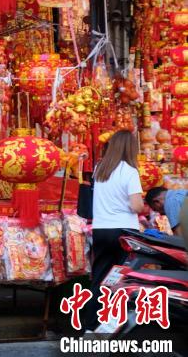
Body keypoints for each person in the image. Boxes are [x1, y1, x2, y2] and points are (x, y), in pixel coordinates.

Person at [83, 130, 144, 331]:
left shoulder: (100, 169)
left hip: (101, 229)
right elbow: (136, 205)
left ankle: (91, 326)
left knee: (100, 278)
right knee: (122, 277)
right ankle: (114, 324)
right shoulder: (130, 171)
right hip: (123, 231)